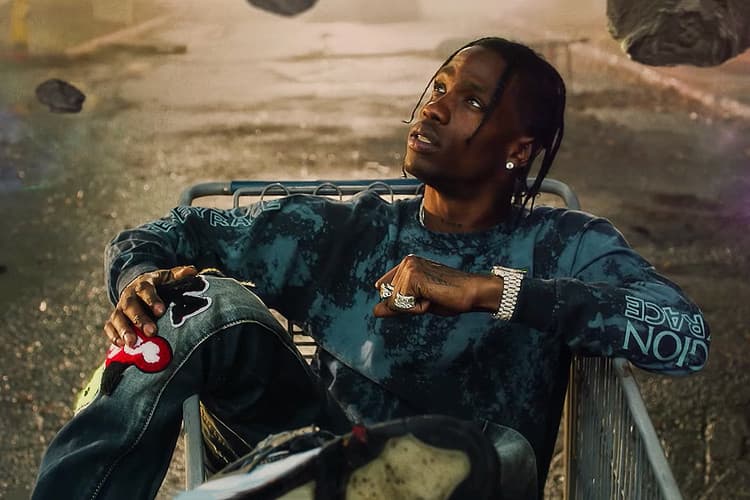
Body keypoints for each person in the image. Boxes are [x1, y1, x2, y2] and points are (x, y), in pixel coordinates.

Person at [32, 36, 709, 500]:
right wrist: (138, 281)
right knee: (192, 305)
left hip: (471, 476)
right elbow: (174, 231)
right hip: (320, 447)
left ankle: (307, 476)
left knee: (491, 452)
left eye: (471, 101)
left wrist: (491, 292)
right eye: (438, 87)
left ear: (517, 150)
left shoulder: (563, 244)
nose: (433, 107)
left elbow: (683, 334)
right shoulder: (348, 232)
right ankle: (291, 472)